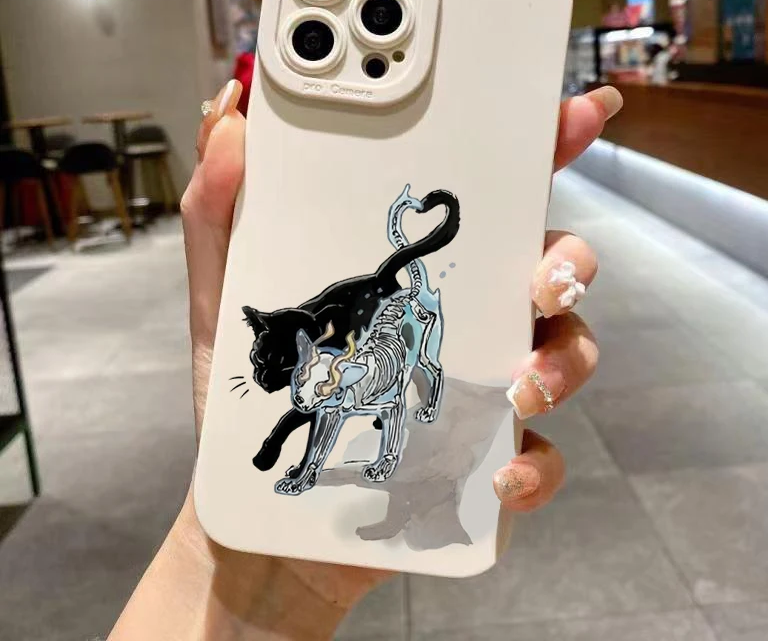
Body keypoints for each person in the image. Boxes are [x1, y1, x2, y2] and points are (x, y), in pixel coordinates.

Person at [108, 81, 622, 640]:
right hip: (349, 357)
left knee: (406, 383)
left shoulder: (360, 343)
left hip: (378, 354)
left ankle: (412, 401)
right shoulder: (317, 355)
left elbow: (383, 393)